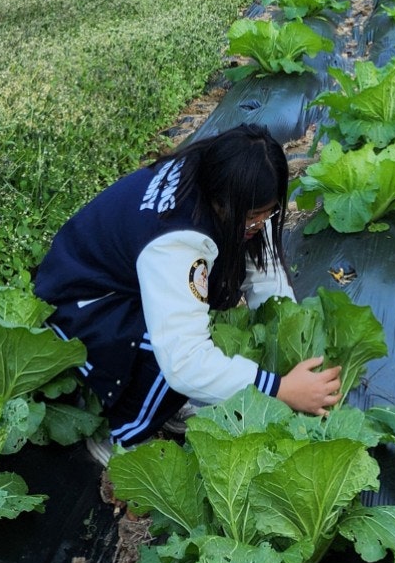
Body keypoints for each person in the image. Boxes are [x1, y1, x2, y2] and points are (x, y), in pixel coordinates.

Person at [34, 123, 342, 464]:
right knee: (169, 351)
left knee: (194, 319)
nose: (260, 224)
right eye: (253, 218)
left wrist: (290, 336)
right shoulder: (176, 241)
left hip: (115, 276)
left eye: (267, 214)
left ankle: (162, 405)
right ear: (222, 203)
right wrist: (280, 389)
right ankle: (121, 440)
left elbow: (264, 273)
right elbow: (184, 362)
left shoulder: (213, 176)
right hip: (80, 306)